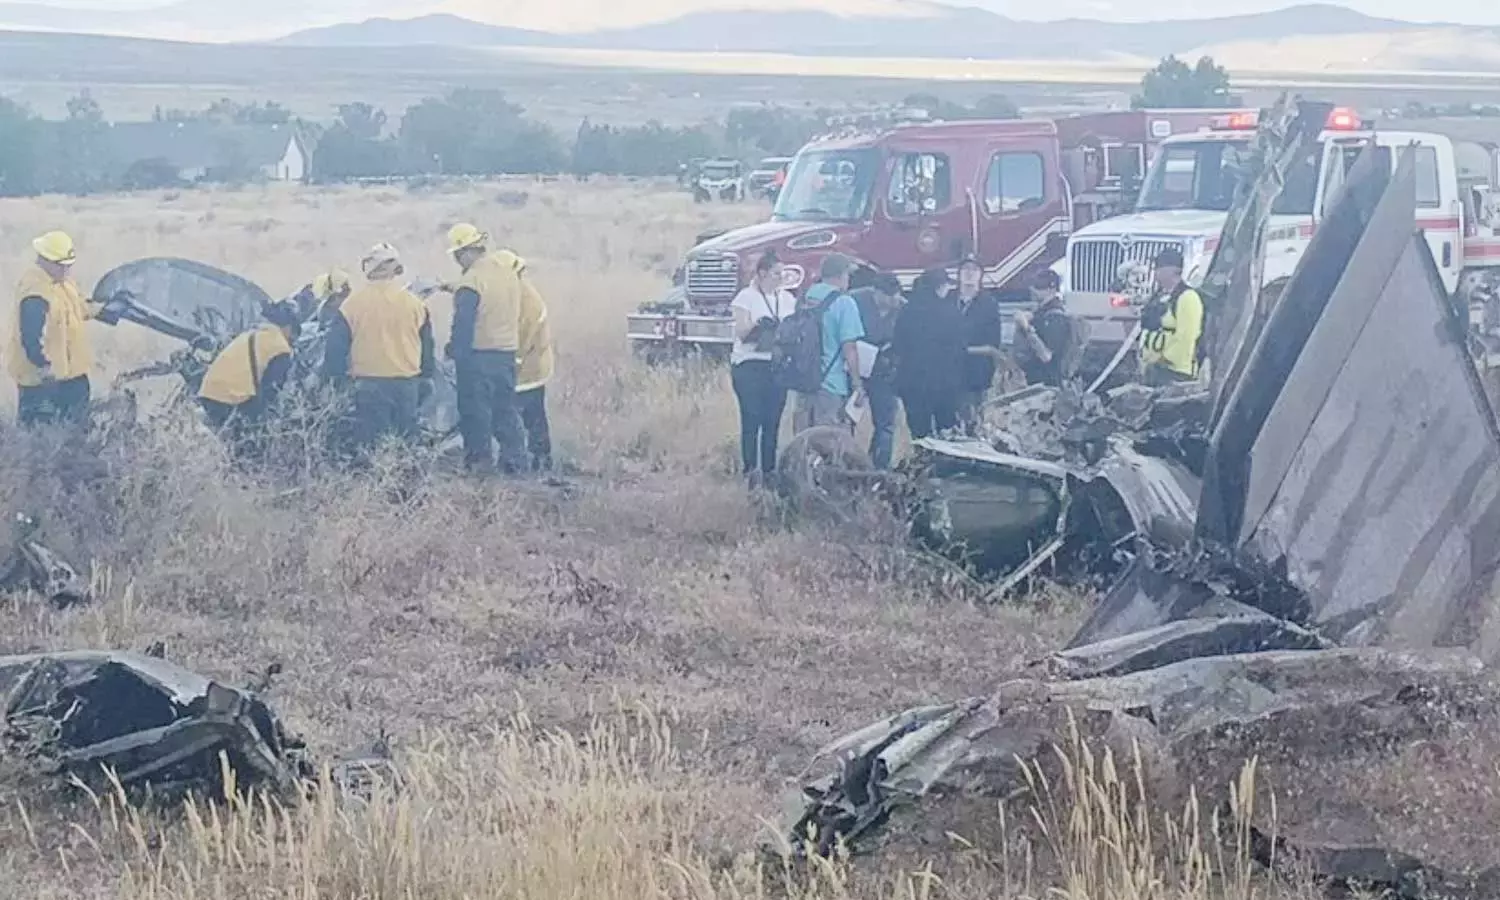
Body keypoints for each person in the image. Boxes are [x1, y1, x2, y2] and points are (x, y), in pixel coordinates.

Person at [322, 243, 436, 457]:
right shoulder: (415, 305)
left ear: (369, 268)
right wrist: (426, 378)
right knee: (405, 445)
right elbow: (427, 348)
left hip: (369, 386)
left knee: (369, 447)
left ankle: (371, 487)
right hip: (406, 385)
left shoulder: (351, 305)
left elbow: (335, 351)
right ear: (396, 269)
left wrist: (334, 383)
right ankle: (405, 487)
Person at [445, 223, 529, 474]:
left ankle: (478, 466)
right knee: (506, 411)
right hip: (506, 354)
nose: (458, 260)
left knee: (475, 413)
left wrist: (455, 354)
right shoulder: (506, 273)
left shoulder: (471, 281)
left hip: (477, 358)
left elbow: (463, 325)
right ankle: (516, 464)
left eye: (457, 255)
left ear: (465, 251)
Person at [10, 231, 104, 427]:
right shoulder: (35, 292)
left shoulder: (63, 283)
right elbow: (31, 339)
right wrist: (45, 369)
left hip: (72, 378)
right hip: (44, 384)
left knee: (76, 435)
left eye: (68, 264)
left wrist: (106, 309)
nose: (66, 269)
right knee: (41, 442)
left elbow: (79, 308)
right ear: (44, 260)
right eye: (61, 265)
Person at [196, 300, 301, 461]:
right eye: (293, 335)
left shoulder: (252, 334)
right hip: (230, 398)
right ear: (288, 328)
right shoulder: (280, 347)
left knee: (228, 444)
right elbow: (270, 391)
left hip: (209, 391)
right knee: (248, 450)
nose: (292, 340)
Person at [730, 250, 797, 485]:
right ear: (762, 274)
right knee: (752, 418)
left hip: (776, 365)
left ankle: (769, 471)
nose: (780, 278)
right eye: (776, 273)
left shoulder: (787, 299)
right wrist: (759, 325)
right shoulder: (745, 297)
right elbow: (740, 332)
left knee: (772, 421)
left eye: (782, 273)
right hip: (749, 364)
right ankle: (750, 470)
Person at [495, 248, 555, 472]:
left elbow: (522, 337)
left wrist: (511, 363)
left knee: (528, 413)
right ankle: (534, 458)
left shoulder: (526, 300)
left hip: (530, 368)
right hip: (526, 365)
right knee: (528, 413)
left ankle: (535, 460)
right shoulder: (515, 292)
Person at [792, 253, 864, 433]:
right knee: (830, 444)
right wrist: (857, 384)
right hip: (831, 383)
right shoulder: (844, 302)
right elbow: (850, 348)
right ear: (842, 274)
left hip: (802, 381)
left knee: (804, 442)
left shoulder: (805, 297)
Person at [893, 267, 965, 440]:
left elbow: (898, 345)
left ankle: (921, 461)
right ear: (939, 287)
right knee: (946, 430)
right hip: (944, 384)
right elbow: (960, 348)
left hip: (913, 383)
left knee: (919, 432)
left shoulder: (907, 311)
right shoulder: (950, 312)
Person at [851, 272, 904, 469]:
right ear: (876, 292)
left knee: (886, 424)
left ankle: (878, 469)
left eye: (896, 294)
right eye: (889, 295)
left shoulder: (902, 308)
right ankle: (845, 465)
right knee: (848, 420)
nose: (893, 299)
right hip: (855, 367)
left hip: (883, 371)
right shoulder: (854, 300)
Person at [1138, 248, 1204, 387]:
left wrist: (1165, 359)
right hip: (1154, 369)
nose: (1155, 272)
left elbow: (1186, 337)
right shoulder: (1159, 296)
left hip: (1176, 374)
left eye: (1159, 267)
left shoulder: (1188, 297)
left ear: (1171, 270)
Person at [955, 255, 1005, 430]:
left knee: (973, 420)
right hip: (948, 372)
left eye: (974, 270)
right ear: (958, 274)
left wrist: (963, 350)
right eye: (965, 269)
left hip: (975, 372)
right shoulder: (948, 300)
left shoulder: (989, 304)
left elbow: (993, 345)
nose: (969, 274)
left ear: (981, 275)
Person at [1013, 270, 1079, 388]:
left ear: (1052, 289)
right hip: (1033, 380)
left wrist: (1027, 328)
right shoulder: (1040, 314)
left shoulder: (1056, 317)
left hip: (1047, 383)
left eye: (1039, 286)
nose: (1033, 289)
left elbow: (1046, 356)